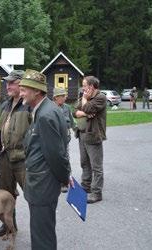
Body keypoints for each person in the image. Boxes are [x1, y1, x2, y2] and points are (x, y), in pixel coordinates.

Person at [19, 69, 71, 250]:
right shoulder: (45, 109)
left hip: (43, 185)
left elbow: (56, 154)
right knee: (44, 231)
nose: (21, 92)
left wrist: (65, 176)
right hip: (44, 183)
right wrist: (66, 174)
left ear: (37, 92)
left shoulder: (45, 115)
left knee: (42, 236)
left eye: (24, 89)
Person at [0, 70, 32, 237]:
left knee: (32, 194)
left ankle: (39, 228)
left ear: (21, 84)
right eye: (6, 82)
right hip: (5, 157)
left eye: (11, 83)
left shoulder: (30, 104)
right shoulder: (5, 104)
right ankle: (9, 225)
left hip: (23, 159)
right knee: (6, 194)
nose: (7, 86)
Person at [73, 76, 106, 204]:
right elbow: (74, 110)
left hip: (93, 135)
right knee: (84, 163)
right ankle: (85, 186)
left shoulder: (100, 97)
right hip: (82, 134)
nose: (83, 88)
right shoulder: (84, 96)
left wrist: (85, 103)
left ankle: (96, 192)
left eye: (84, 85)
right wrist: (85, 113)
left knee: (96, 166)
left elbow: (87, 108)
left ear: (91, 86)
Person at [52, 87, 77, 193]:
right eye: (62, 96)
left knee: (65, 159)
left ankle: (65, 182)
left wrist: (77, 130)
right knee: (53, 159)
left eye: (65, 95)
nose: (65, 98)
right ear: (55, 98)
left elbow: (71, 121)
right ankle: (53, 181)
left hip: (65, 139)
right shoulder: (50, 108)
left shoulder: (67, 107)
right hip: (53, 139)